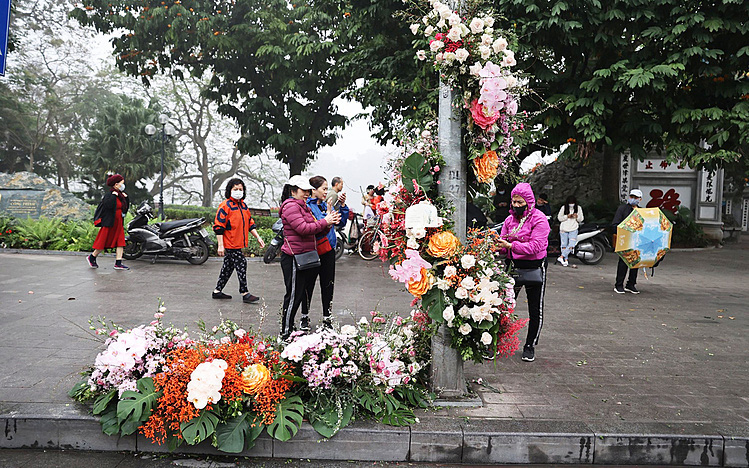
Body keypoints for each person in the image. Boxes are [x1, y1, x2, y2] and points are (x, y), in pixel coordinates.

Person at [279, 175, 340, 339]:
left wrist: (328, 223)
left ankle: (290, 331)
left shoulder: (302, 206)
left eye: (308, 190)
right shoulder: (290, 206)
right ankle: (285, 332)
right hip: (293, 257)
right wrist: (325, 221)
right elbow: (303, 228)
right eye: (303, 190)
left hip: (304, 256)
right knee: (293, 296)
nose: (307, 193)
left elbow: (314, 230)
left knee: (298, 295)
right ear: (293, 191)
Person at [497, 183, 551, 363]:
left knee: (535, 309)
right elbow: (504, 244)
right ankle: (495, 343)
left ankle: (530, 345)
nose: (515, 205)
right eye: (513, 201)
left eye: (520, 202)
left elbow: (536, 246)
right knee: (502, 305)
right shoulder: (509, 220)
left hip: (535, 267)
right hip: (513, 267)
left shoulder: (540, 219)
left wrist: (512, 245)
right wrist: (497, 247)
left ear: (529, 202)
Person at [303, 176, 350, 330]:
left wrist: (342, 206)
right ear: (313, 190)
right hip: (313, 250)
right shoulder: (307, 207)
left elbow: (340, 222)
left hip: (328, 250)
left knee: (328, 284)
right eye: (323, 189)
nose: (326, 192)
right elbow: (315, 224)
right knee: (308, 285)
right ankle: (304, 316)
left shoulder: (326, 205)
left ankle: (327, 317)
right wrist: (328, 216)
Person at [212, 178, 265, 303]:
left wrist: (258, 237)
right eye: (235, 189)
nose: (238, 191)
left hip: (238, 243)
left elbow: (250, 223)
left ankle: (217, 291)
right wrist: (221, 245)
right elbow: (219, 227)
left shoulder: (243, 206)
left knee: (228, 268)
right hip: (230, 243)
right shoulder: (225, 206)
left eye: (240, 189)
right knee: (242, 263)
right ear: (229, 190)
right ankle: (245, 292)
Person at [88, 174, 130, 270]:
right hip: (110, 223)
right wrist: (112, 197)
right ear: (116, 184)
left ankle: (118, 263)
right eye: (121, 183)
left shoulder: (121, 196)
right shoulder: (109, 195)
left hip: (118, 223)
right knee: (103, 242)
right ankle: (92, 257)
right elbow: (108, 206)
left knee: (120, 242)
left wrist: (126, 198)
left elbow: (125, 208)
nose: (123, 185)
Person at [613, 189, 643, 294]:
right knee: (623, 262)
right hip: (625, 239)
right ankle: (619, 284)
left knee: (635, 262)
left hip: (638, 241)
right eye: (632, 197)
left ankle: (631, 284)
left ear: (640, 199)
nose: (633, 199)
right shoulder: (622, 209)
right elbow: (615, 224)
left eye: (635, 197)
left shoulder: (642, 211)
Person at [556, 195, 584, 267]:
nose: (571, 204)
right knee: (564, 245)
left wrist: (577, 216)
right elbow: (559, 218)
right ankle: (565, 260)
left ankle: (561, 257)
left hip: (574, 228)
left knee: (572, 244)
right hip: (564, 228)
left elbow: (581, 219)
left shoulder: (578, 208)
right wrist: (567, 216)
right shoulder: (563, 207)